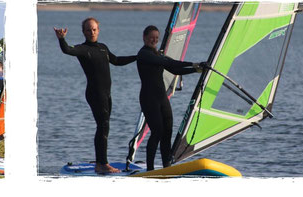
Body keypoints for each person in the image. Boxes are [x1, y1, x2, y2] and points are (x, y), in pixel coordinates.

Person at [54, 17, 137, 173]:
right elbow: (68, 50)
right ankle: (101, 164)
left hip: (106, 93)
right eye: (88, 30)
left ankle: (101, 162)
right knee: (103, 126)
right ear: (84, 32)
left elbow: (117, 60)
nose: (91, 32)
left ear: (98, 30)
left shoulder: (103, 48)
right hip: (95, 93)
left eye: (94, 29)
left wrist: (137, 57)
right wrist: (62, 39)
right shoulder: (83, 49)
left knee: (104, 127)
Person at [135, 25, 205, 171]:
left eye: (156, 38)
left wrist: (196, 69)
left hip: (161, 97)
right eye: (151, 37)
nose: (154, 40)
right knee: (157, 131)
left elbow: (174, 69)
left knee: (167, 130)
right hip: (149, 98)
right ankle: (150, 169)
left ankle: (166, 166)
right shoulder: (144, 54)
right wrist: (192, 64)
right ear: (144, 37)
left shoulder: (158, 55)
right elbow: (169, 63)